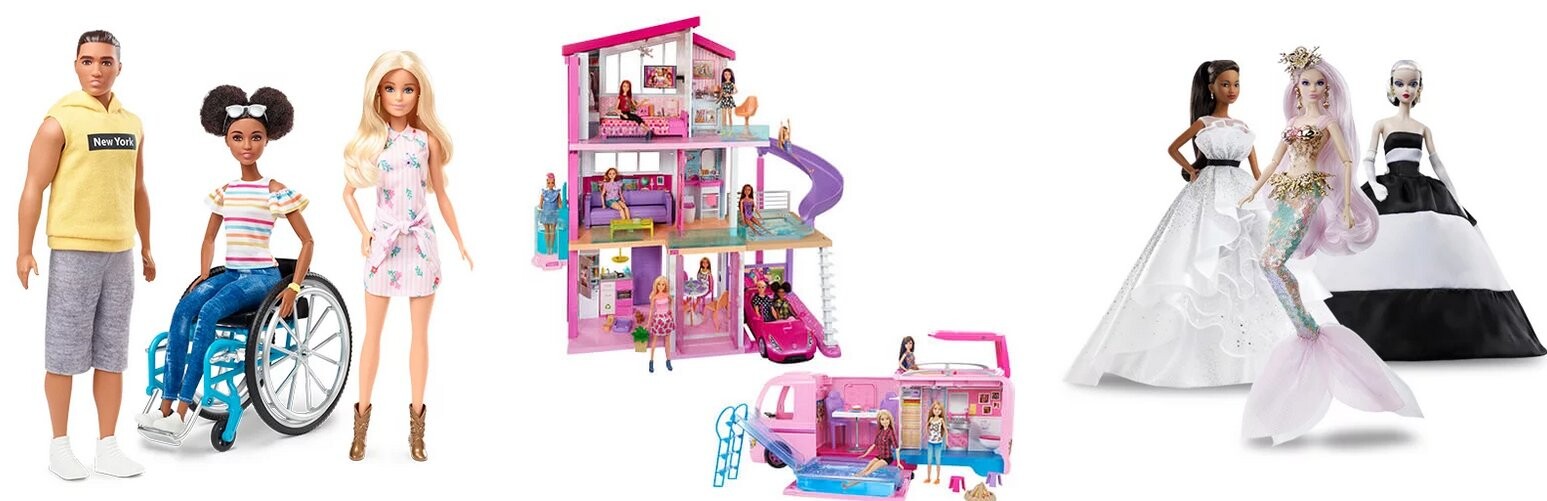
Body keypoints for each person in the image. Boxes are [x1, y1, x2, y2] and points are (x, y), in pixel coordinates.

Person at [1067, 60, 1298, 388]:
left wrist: (1271, 196)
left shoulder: (1245, 128)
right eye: (1225, 84)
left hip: (1241, 192)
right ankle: (1190, 355)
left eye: (1236, 84)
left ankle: (1255, 358)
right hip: (1208, 191)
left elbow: (1258, 171)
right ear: (1211, 87)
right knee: (1199, 253)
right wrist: (1191, 170)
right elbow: (1173, 148)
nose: (1232, 90)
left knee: (1246, 261)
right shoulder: (1204, 124)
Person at [1238, 47, 1419, 444]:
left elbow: (1347, 161)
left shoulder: (1327, 121)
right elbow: (1274, 161)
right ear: (1296, 88)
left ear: (1327, 89)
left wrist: (1349, 206)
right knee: (1267, 262)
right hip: (1285, 191)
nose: (1314, 88)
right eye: (1306, 83)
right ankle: (1304, 325)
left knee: (1273, 260)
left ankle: (1306, 327)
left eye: (1320, 83)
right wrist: (1254, 189)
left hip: (1310, 192)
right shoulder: (1292, 121)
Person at [1313, 60, 1542, 360]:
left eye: (1412, 83)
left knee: (1433, 247)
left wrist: (1454, 197)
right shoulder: (1382, 124)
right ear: (1391, 87)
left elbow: (1437, 163)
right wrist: (1374, 185)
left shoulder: (1423, 128)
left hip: (1423, 189)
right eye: (1400, 83)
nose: (1406, 89)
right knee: (1378, 246)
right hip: (1388, 189)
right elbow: (1367, 159)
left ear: (1419, 88)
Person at [138, 86, 313, 436]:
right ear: (227, 142)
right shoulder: (226, 191)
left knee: (209, 312)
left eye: (255, 137)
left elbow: (307, 241)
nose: (247, 145)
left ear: (267, 140)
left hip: (263, 277)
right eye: (238, 138)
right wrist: (204, 274)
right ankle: (165, 404)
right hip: (231, 272)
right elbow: (209, 239)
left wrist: (294, 286)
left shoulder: (273, 189)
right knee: (184, 309)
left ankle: (182, 409)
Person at [18, 30, 152, 480]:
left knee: (112, 352)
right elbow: (33, 186)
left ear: (119, 67)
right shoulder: (59, 121)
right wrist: (23, 249)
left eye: (106, 61)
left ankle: (107, 445)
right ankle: (59, 445)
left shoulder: (132, 124)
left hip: (120, 252)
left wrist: (147, 244)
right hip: (74, 250)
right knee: (64, 351)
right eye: (88, 61)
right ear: (75, 65)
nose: (97, 70)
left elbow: (137, 188)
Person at [343, 51, 473, 462]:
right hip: (383, 244)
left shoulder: (425, 141)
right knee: (373, 336)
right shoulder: (372, 142)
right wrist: (365, 233)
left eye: (408, 89)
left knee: (420, 336)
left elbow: (442, 194)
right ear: (377, 93)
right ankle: (360, 429)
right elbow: (348, 193)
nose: (399, 97)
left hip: (419, 242)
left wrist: (460, 240)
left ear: (420, 94)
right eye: (391, 88)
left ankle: (417, 432)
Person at [842, 409, 899, 490]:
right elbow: (874, 445)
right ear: (880, 421)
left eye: (887, 419)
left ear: (890, 420)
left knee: (868, 472)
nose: (885, 421)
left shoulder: (891, 432)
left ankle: (849, 485)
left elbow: (896, 447)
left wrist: (899, 463)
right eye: (882, 419)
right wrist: (865, 454)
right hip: (880, 456)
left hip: (887, 458)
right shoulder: (880, 432)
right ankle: (848, 481)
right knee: (865, 469)